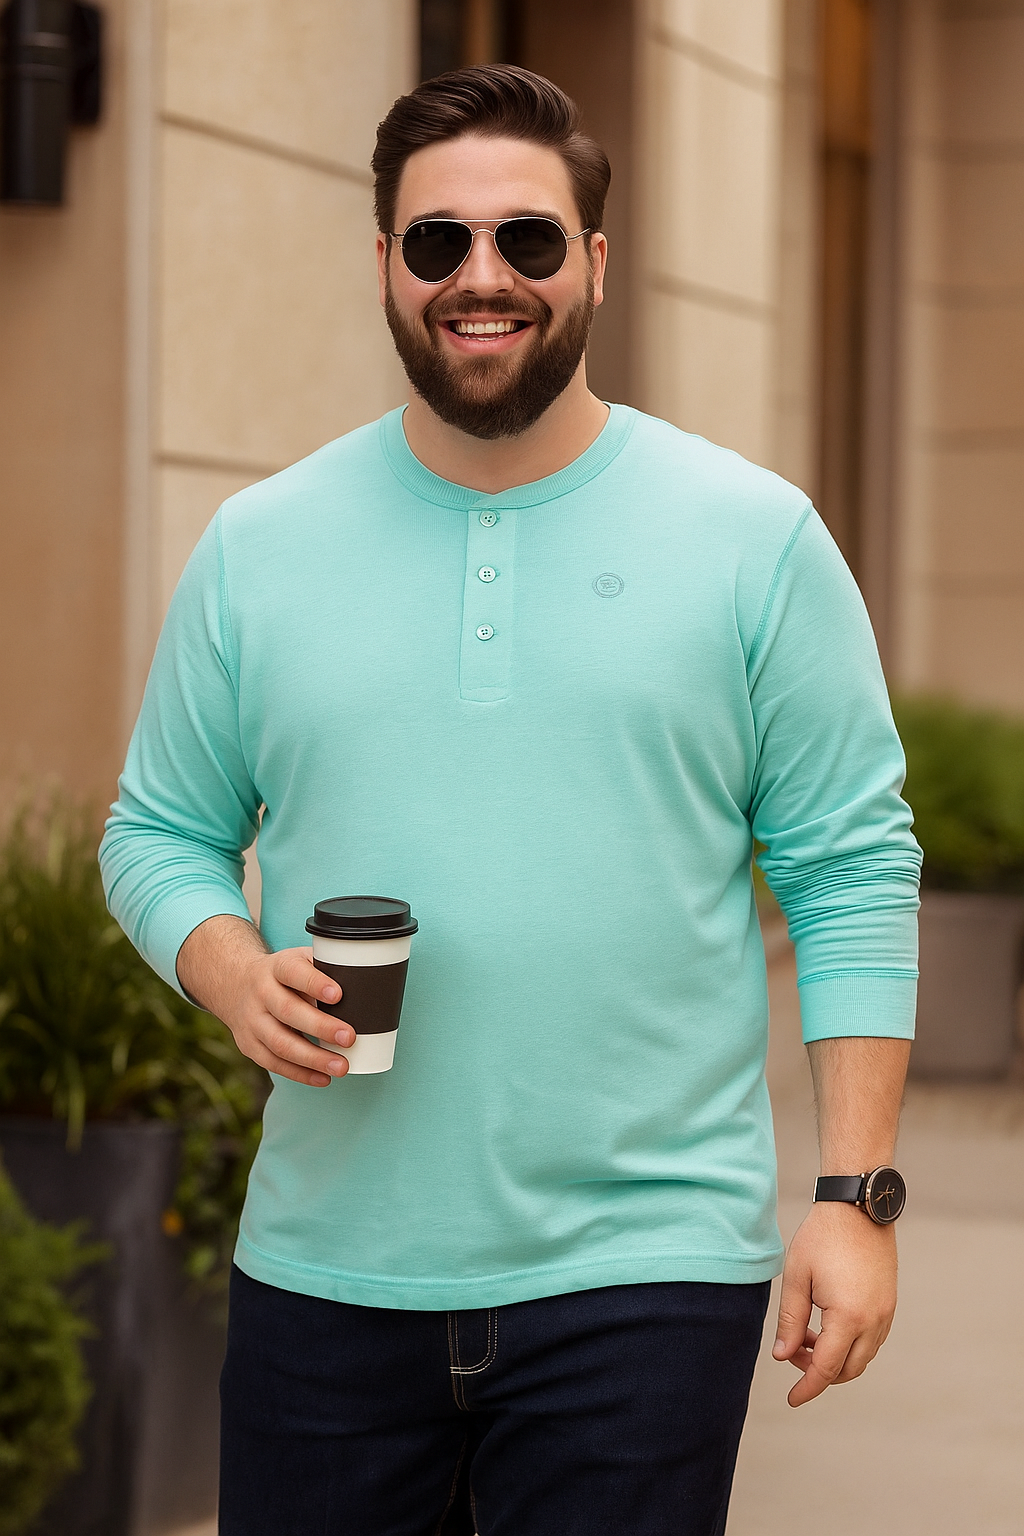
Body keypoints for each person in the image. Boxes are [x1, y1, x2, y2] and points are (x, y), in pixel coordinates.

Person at [100, 65, 921, 1536]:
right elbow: (158, 833)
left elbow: (852, 866)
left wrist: (855, 1199)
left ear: (595, 264)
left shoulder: (753, 539)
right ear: (384, 267)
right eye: (438, 244)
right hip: (327, 1276)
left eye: (528, 241)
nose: (484, 279)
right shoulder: (259, 545)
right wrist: (228, 970)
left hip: (647, 1276)